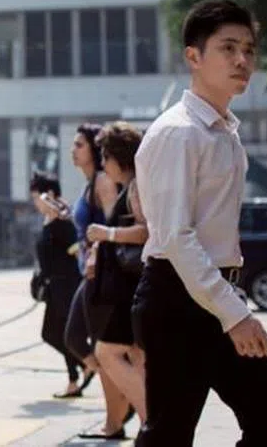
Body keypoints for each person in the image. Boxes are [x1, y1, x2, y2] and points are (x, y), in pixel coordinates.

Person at [133, 0, 267, 446]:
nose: (242, 61)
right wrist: (235, 315)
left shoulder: (223, 132)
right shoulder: (179, 132)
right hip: (177, 299)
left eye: (249, 50)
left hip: (210, 294)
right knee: (170, 435)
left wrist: (228, 305)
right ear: (194, 57)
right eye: (228, 48)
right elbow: (176, 237)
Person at [62, 123, 129, 437]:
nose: (73, 150)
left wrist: (96, 250)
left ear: (93, 150)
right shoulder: (90, 183)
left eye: (79, 144)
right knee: (90, 344)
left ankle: (118, 414)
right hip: (90, 272)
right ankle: (115, 417)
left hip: (99, 273)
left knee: (83, 340)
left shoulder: (102, 181)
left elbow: (114, 220)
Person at [85, 123, 148, 434]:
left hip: (128, 288)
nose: (103, 163)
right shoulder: (131, 187)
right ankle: (150, 424)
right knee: (136, 355)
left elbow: (148, 231)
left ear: (119, 157)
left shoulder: (136, 188)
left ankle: (152, 421)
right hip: (126, 287)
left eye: (106, 155)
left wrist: (106, 233)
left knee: (106, 351)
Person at [28, 172, 85, 398]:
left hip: (66, 287)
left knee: (58, 333)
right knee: (54, 334)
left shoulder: (62, 221)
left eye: (36, 197)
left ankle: (85, 366)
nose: (35, 203)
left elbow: (76, 247)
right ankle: (78, 373)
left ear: (49, 194)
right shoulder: (50, 221)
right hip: (54, 288)